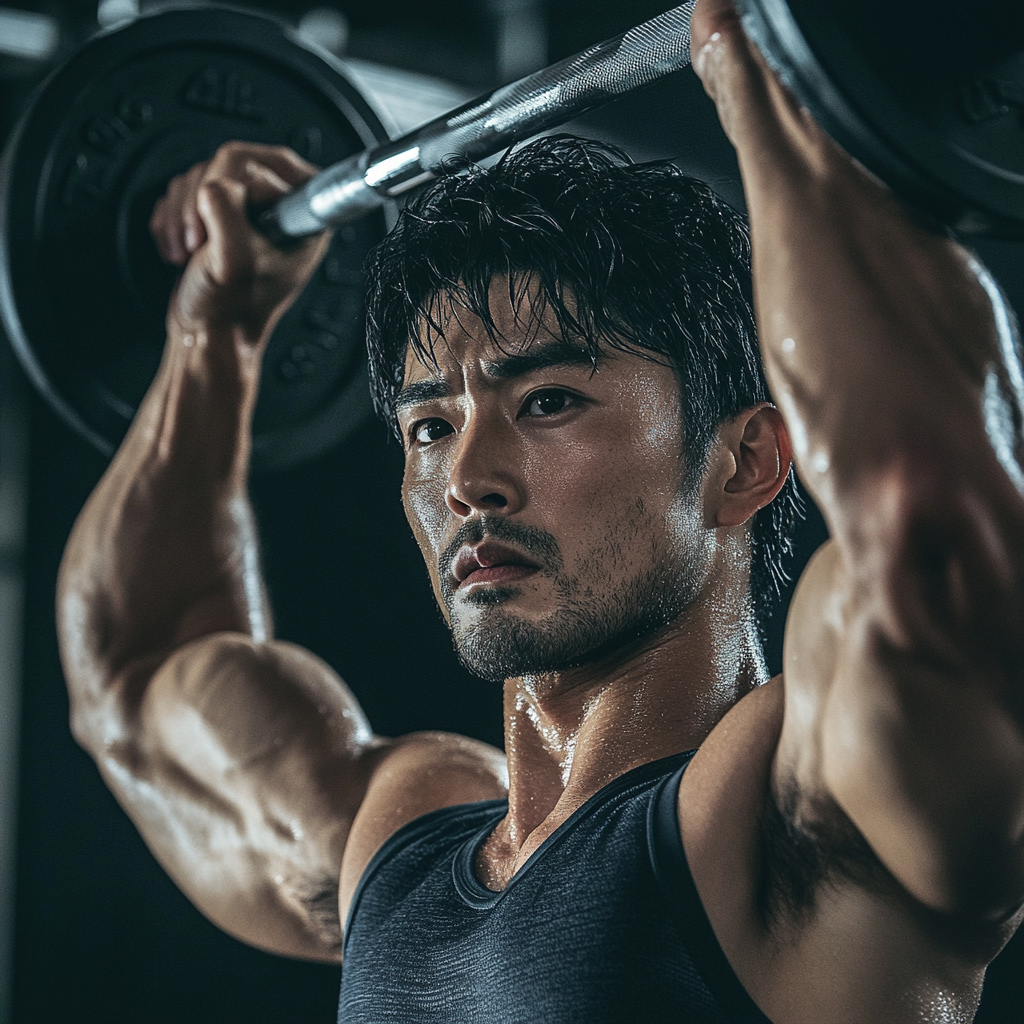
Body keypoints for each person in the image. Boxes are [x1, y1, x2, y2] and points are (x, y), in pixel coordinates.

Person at [58, 0, 1024, 1019]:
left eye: (548, 401)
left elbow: (929, 530)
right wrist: (215, 334)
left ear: (744, 462)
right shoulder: (398, 839)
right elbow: (129, 678)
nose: (470, 474)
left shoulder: (792, 820)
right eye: (429, 425)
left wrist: (798, 113)